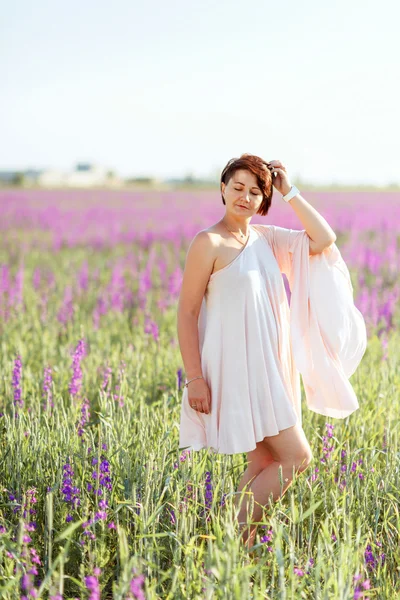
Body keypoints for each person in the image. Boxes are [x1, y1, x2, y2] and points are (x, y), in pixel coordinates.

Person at [176, 153, 367, 552]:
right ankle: (221, 545)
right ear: (223, 189)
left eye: (255, 191)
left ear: (264, 199)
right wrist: (195, 377)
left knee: (263, 464)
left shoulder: (266, 238)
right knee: (298, 457)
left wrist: (288, 190)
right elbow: (188, 313)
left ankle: (230, 556)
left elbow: (324, 239)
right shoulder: (207, 242)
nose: (244, 197)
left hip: (271, 367)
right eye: (238, 187)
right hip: (236, 370)